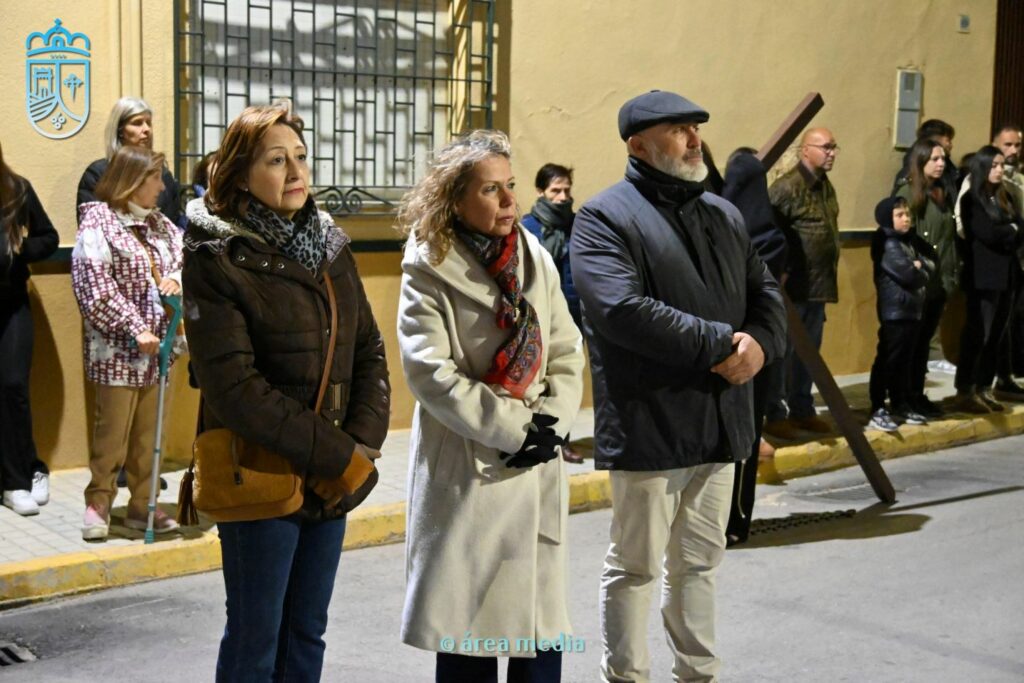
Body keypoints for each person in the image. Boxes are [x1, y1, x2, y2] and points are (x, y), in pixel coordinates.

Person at [571, 90, 786, 682]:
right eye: (678, 130)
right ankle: (627, 677)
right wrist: (723, 344)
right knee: (636, 566)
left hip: (721, 421)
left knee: (699, 563)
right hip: (652, 422)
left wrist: (761, 345)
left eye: (696, 128)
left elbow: (765, 294)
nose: (694, 139)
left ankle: (698, 674)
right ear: (638, 144)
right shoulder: (604, 216)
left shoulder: (722, 213)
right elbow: (622, 310)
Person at [182, 103, 390, 681]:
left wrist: (363, 445)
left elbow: (368, 350)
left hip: (333, 471)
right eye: (276, 160)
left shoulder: (330, 246)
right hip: (261, 471)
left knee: (307, 631)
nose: (296, 171)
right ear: (239, 173)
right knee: (256, 636)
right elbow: (233, 388)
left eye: (300, 156)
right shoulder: (213, 255)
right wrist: (337, 455)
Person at [397, 129, 584, 683]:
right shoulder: (428, 266)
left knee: (537, 646)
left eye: (510, 187)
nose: (509, 202)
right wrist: (514, 431)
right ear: (454, 198)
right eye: (490, 190)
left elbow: (567, 348)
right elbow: (432, 375)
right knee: (469, 642)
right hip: (470, 469)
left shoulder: (535, 257)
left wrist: (552, 424)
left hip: (534, 467)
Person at [71, 145, 185, 540]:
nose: (160, 187)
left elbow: (185, 258)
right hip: (118, 352)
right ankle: (99, 503)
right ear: (132, 181)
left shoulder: (160, 225)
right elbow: (94, 286)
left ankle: (142, 505)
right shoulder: (98, 224)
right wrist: (135, 327)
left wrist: (177, 279)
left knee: (149, 435)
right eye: (154, 178)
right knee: (112, 435)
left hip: (161, 352)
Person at [721, 147, 789, 545]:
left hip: (728, 343)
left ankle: (727, 520)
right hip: (756, 345)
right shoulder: (769, 234)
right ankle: (736, 520)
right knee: (744, 435)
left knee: (734, 439)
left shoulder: (721, 223)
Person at [764, 127, 841, 440]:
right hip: (792, 286)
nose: (832, 153)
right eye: (826, 147)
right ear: (804, 150)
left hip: (817, 286)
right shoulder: (786, 188)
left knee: (809, 352)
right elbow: (771, 235)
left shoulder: (825, 187)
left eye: (835, 147)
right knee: (782, 353)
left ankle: (802, 408)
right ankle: (775, 412)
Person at [0, 142, 58, 516]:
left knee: (12, 385)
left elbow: (49, 238)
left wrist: (20, 249)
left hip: (11, 305)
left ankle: (20, 478)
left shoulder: (16, 188)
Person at [952, 146, 1024, 414]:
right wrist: (1010, 230)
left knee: (996, 334)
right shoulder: (972, 199)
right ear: (983, 167)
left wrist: (1010, 230)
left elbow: (1020, 227)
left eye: (1001, 165)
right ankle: (965, 388)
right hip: (983, 276)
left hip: (1007, 274)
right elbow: (986, 234)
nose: (999, 170)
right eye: (994, 165)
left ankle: (984, 386)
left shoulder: (1005, 196)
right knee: (978, 333)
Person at [522, 163, 585, 464]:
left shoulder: (579, 225)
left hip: (572, 315)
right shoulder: (527, 229)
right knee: (535, 380)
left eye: (566, 190)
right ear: (541, 191)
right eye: (555, 190)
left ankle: (564, 439)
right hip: (536, 316)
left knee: (565, 379)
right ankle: (532, 436)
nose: (562, 197)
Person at [894, 138, 956, 417]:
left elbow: (947, 240)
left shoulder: (940, 194)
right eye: (934, 159)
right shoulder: (908, 193)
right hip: (916, 284)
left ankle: (917, 395)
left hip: (937, 284)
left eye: (943, 158)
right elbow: (905, 240)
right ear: (920, 162)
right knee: (909, 346)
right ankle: (903, 398)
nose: (941, 163)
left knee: (921, 348)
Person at [867, 197, 934, 431]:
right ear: (888, 218)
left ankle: (900, 402)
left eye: (908, 214)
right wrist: (919, 267)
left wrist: (921, 265)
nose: (906, 219)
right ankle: (877, 407)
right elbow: (910, 275)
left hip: (911, 310)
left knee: (905, 360)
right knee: (889, 358)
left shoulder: (907, 242)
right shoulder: (888, 243)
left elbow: (929, 264)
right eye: (900, 215)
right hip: (895, 311)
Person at [78, 97, 182, 226]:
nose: (146, 129)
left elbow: (171, 223)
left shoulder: (163, 174)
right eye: (137, 123)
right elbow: (91, 226)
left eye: (148, 123)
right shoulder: (98, 173)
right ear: (120, 130)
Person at [990, 125, 1024, 401]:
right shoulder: (986, 182)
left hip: (1017, 260)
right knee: (998, 323)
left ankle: (1008, 374)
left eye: (1017, 145)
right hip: (996, 263)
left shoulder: (1018, 179)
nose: (1013, 151)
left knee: (1014, 319)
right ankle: (991, 378)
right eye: (1007, 145)